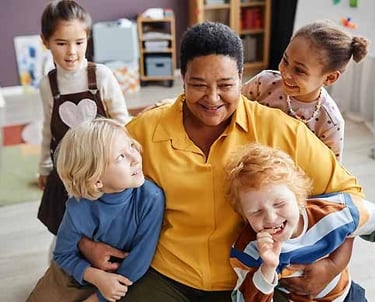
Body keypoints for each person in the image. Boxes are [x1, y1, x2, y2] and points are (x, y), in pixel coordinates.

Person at [78, 21, 365, 302]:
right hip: (167, 276)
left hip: (249, 279)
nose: (212, 98)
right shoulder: (144, 129)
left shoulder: (282, 130)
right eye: (198, 84)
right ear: (183, 78)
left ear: (242, 78)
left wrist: (333, 266)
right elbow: (88, 185)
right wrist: (86, 245)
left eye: (226, 85)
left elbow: (351, 199)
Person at [27, 118, 165, 302]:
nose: (135, 158)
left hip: (123, 280)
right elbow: (62, 254)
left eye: (131, 146)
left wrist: (98, 298)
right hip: (79, 273)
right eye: (120, 157)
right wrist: (95, 276)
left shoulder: (151, 198)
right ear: (96, 179)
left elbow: (139, 262)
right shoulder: (78, 206)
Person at [226, 143, 374, 301]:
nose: (270, 218)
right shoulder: (249, 248)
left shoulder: (332, 212)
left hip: (347, 297)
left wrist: (334, 265)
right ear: (244, 216)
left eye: (279, 204)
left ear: (299, 198)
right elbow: (244, 299)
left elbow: (368, 216)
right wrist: (268, 268)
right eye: (257, 212)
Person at [37, 0, 131, 236]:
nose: (72, 52)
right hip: (67, 170)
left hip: (102, 165)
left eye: (79, 42)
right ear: (45, 41)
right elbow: (48, 129)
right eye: (61, 43)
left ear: (87, 38)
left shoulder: (101, 75)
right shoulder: (48, 84)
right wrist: (44, 167)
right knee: (66, 223)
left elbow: (123, 122)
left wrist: (127, 159)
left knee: (105, 224)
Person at [242, 20, 369, 161]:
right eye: (285, 60)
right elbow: (235, 111)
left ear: (330, 78)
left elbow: (329, 171)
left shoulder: (330, 122)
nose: (286, 73)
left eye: (299, 70)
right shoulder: (264, 82)